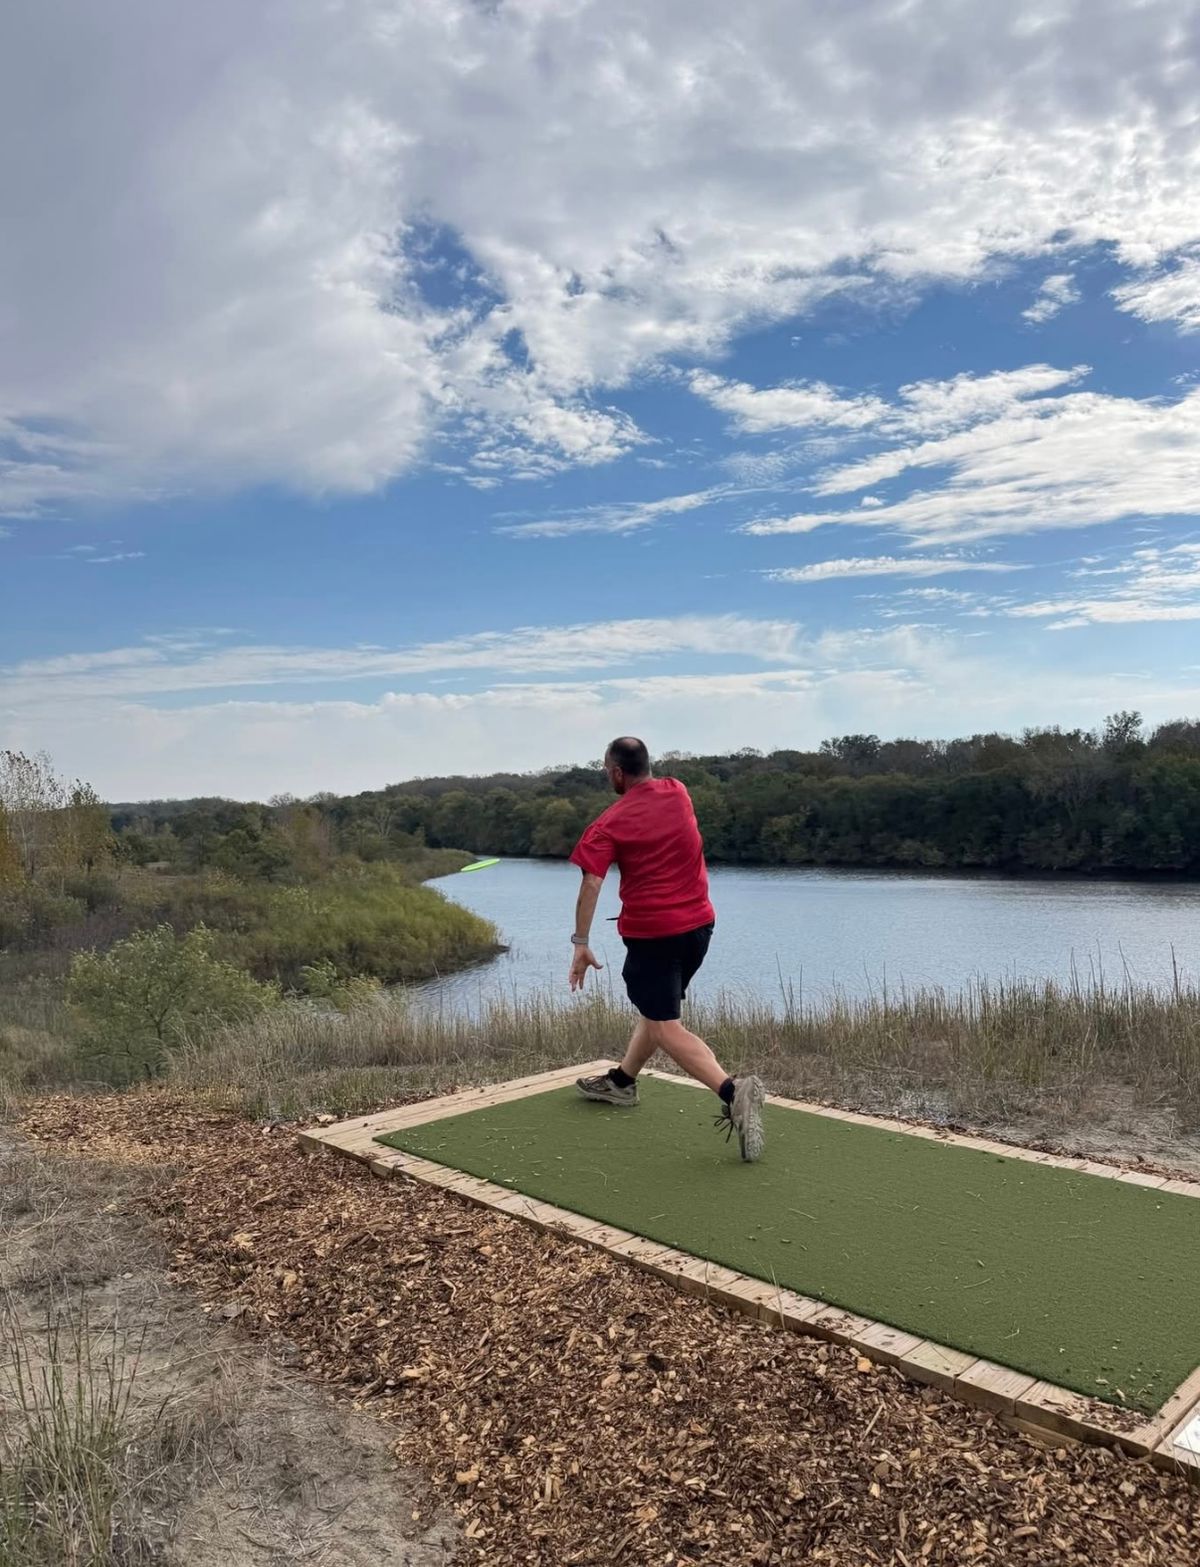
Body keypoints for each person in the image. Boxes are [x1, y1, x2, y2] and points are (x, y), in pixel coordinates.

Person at [567, 736, 766, 1161]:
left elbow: (592, 882)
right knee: (656, 1013)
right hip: (699, 929)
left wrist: (580, 943)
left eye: (607, 771)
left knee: (664, 1025)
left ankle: (733, 1093)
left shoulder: (608, 824)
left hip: (654, 936)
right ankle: (622, 1083)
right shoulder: (678, 792)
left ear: (616, 772)